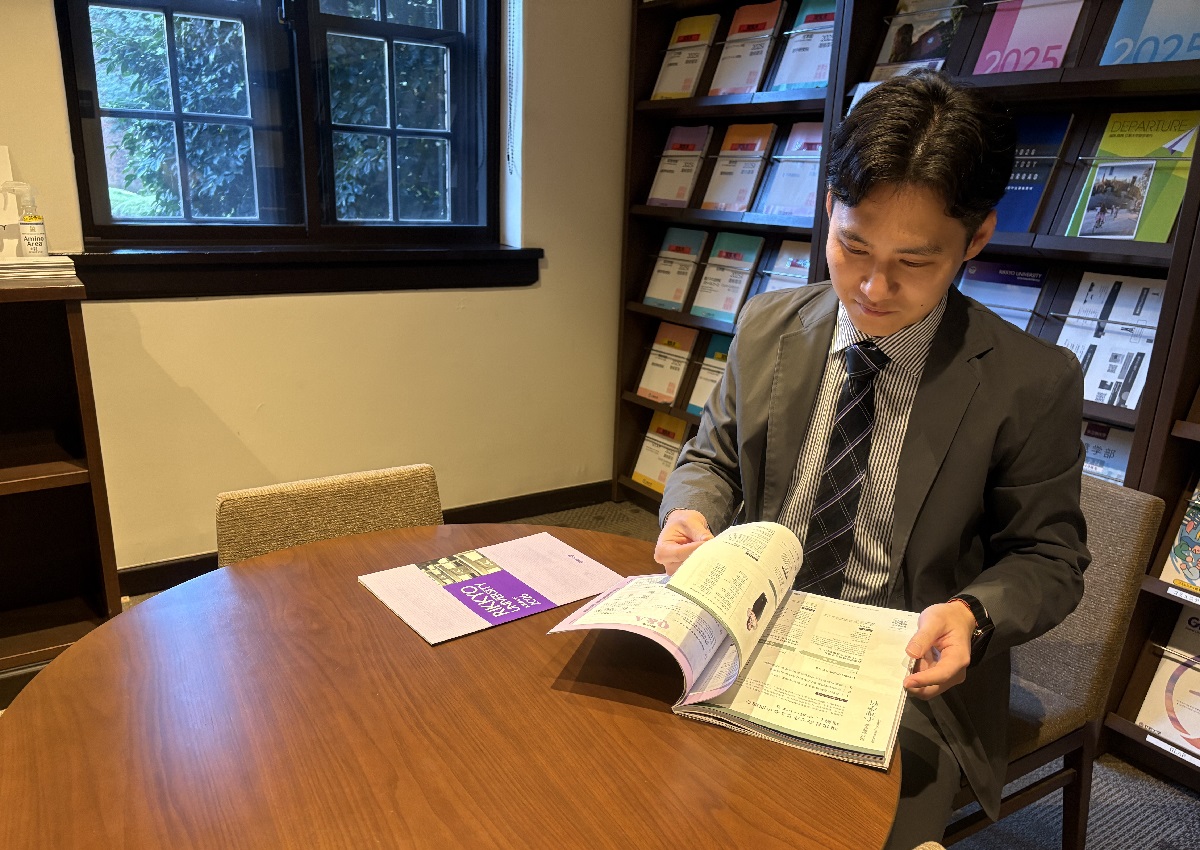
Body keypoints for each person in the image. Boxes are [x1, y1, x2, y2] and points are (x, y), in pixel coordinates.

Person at [653, 70, 1089, 850]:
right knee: (632, 777)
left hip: (903, 673)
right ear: (830, 206)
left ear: (976, 239)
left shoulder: (1029, 381)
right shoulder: (767, 325)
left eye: (914, 263)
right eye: (852, 246)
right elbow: (710, 458)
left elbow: (1049, 558)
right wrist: (691, 511)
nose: (872, 286)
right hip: (753, 627)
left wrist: (972, 615)